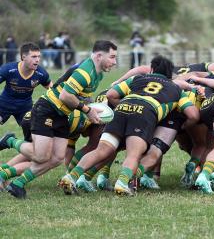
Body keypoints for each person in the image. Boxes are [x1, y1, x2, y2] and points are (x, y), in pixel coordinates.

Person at [59, 55, 200, 196]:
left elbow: (111, 94)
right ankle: (122, 183)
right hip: (145, 113)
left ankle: (71, 177)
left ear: (151, 69)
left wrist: (126, 107)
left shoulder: (137, 79)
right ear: (170, 74)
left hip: (122, 109)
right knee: (133, 154)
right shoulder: (176, 89)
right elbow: (193, 114)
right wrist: (183, 127)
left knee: (101, 150)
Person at [5, 40, 117, 199]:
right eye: (112, 57)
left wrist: (97, 107)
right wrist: (87, 110)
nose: (114, 62)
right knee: (41, 156)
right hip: (47, 109)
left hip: (62, 115)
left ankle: (17, 184)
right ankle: (10, 141)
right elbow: (66, 96)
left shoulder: (97, 74)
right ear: (99, 56)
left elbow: (82, 97)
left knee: (57, 158)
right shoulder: (85, 72)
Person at [0, 42, 51, 127]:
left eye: (39, 56)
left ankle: (10, 140)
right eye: (34, 56)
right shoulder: (8, 69)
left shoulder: (41, 73)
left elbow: (53, 90)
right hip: (5, 103)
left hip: (25, 107)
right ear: (24, 57)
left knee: (33, 133)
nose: (37, 60)